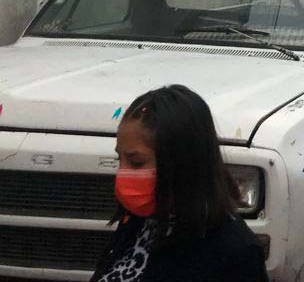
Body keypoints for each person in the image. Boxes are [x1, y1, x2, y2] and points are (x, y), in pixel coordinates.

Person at [90, 85, 268, 282]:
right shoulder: (140, 221)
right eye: (119, 160)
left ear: (181, 162)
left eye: (136, 162)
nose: (122, 174)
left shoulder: (235, 253)